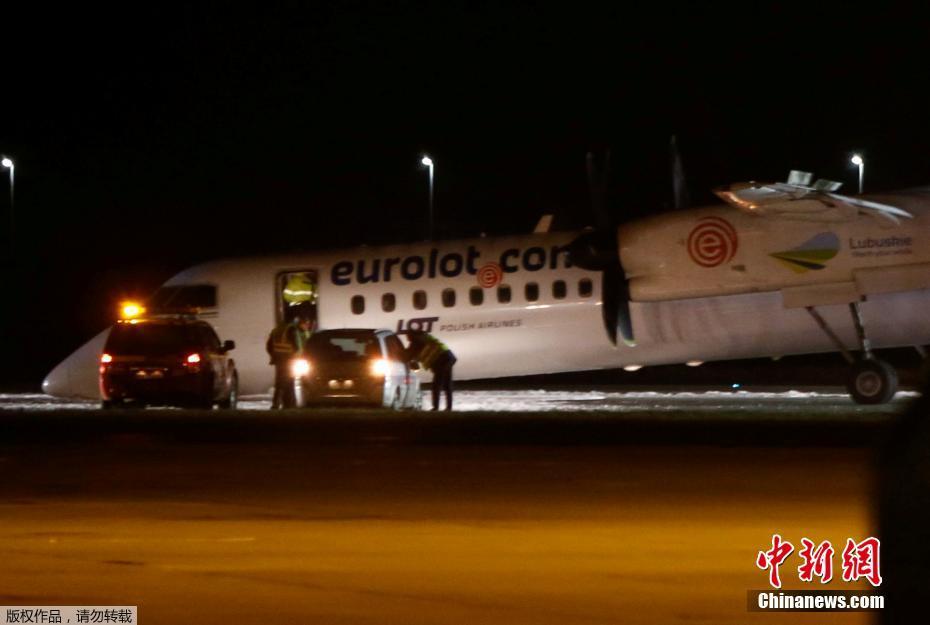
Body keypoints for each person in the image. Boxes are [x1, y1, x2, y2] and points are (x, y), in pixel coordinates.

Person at [266, 314, 316, 409]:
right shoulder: (292, 330)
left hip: (279, 360)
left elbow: (269, 346)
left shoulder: (276, 330)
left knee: (280, 383)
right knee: (289, 382)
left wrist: (274, 356)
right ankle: (289, 404)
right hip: (289, 360)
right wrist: (301, 357)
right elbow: (297, 346)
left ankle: (278, 404)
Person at [406, 330, 456, 411]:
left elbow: (407, 355)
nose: (407, 339)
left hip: (442, 360)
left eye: (408, 336)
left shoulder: (415, 342)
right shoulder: (425, 337)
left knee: (437, 385)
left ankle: (436, 408)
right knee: (447, 385)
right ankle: (448, 408)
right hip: (449, 357)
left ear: (412, 336)